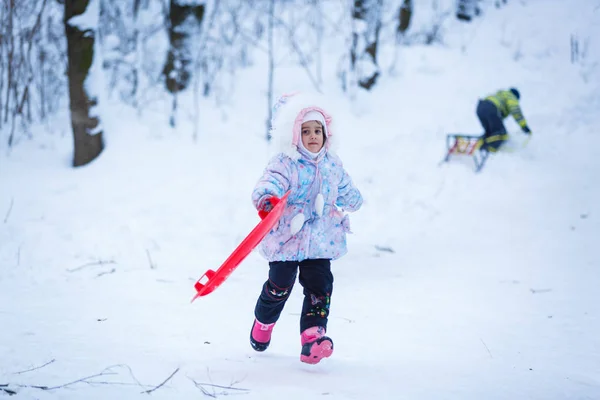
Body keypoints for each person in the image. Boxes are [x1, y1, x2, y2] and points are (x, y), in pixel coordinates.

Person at [249, 92, 363, 365]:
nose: (312, 136)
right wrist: (267, 200)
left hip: (321, 241)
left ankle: (312, 338)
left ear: (326, 134)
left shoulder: (332, 164)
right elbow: (270, 183)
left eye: (317, 130)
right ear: (294, 134)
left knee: (320, 287)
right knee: (279, 286)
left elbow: (345, 187)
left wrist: (354, 199)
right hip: (287, 239)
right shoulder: (284, 162)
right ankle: (263, 324)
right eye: (305, 130)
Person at [477, 87, 532, 152]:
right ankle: (488, 151)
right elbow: (515, 110)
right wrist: (524, 126)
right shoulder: (511, 96)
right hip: (491, 108)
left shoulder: (501, 95)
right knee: (502, 135)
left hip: (480, 107)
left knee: (491, 133)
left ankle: (479, 146)